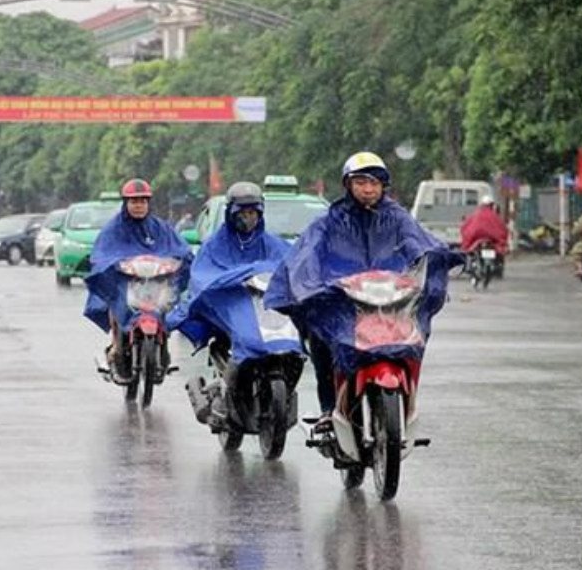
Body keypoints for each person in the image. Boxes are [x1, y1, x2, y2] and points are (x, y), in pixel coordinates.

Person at [264, 152, 461, 430]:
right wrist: (311, 284)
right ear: (348, 184)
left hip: (390, 298)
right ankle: (329, 408)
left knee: (412, 340)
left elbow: (416, 242)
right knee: (321, 341)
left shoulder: (398, 218)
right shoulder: (329, 221)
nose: (368, 189)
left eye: (375, 182)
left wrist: (431, 259)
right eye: (361, 182)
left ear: (383, 186)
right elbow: (307, 254)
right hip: (342, 301)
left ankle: (405, 401)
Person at [170, 181, 292, 425]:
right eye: (242, 213)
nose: (248, 219)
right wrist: (233, 280)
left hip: (264, 307)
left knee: (294, 341)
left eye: (252, 213)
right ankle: (229, 393)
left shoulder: (271, 243)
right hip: (232, 306)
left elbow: (292, 266)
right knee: (245, 339)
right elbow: (202, 275)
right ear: (231, 213)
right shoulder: (215, 244)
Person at [83, 178, 192, 383]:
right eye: (134, 202)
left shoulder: (160, 228)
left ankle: (164, 344)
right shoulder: (114, 228)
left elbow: (180, 249)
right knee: (116, 302)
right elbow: (102, 254)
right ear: (126, 203)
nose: (139, 205)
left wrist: (179, 261)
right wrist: (115, 265)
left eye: (143, 201)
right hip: (126, 281)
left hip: (156, 280)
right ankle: (116, 347)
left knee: (169, 303)